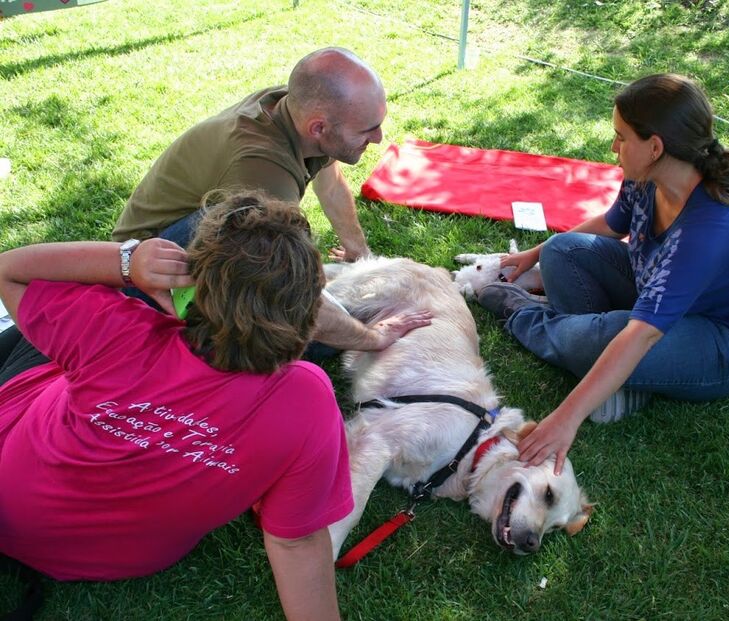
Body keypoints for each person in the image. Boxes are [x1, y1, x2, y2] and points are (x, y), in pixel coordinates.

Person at [0, 191, 353, 620]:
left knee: (38, 327)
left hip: (11, 509)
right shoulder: (308, 402)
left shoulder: (113, 326)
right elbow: (295, 541)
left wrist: (128, 263)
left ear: (191, 287)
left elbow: (10, 271)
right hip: (126, 557)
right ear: (309, 316)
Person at [478, 74, 729, 475]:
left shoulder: (712, 227)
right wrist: (536, 253)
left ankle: (524, 315)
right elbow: (612, 224)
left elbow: (642, 332)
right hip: (664, 295)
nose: (614, 147)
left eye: (621, 137)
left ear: (656, 146)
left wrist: (564, 420)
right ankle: (618, 379)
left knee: (602, 341)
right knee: (562, 250)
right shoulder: (649, 175)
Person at [112, 46, 429, 355]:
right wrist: (372, 336)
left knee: (327, 316)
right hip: (145, 279)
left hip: (190, 241)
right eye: (368, 129)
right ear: (318, 127)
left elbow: (330, 184)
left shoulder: (298, 111)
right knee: (299, 333)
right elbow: (294, 291)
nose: (378, 138)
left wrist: (359, 252)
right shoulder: (262, 173)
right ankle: (196, 333)